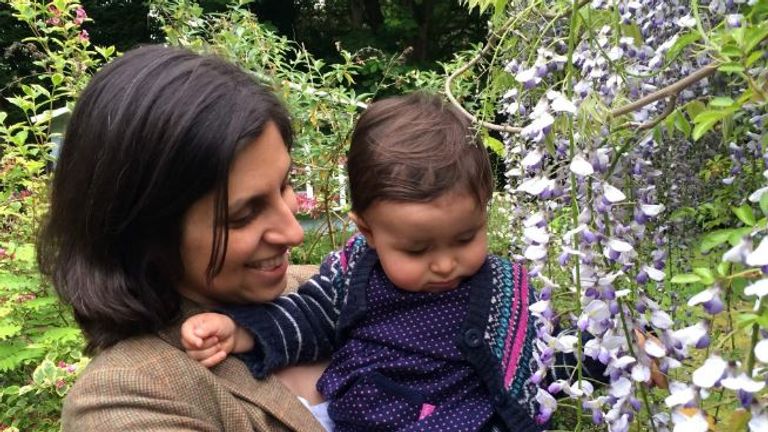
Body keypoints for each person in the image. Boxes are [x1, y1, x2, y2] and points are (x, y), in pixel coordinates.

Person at [182, 93, 570, 432]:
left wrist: (606, 351)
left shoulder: (506, 287)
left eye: (466, 238)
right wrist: (240, 332)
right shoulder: (352, 277)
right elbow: (305, 318)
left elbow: (548, 350)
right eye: (417, 250)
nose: (445, 264)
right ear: (368, 232)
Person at [37, 44, 328, 431]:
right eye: (243, 215)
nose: (292, 232)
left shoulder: (332, 289)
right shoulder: (128, 396)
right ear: (146, 233)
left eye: (285, 185)